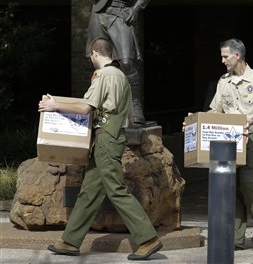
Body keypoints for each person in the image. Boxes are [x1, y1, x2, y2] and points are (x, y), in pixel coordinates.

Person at [39, 37, 162, 260]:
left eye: (90, 57)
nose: (91, 60)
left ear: (95, 53)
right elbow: (131, 117)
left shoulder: (103, 75)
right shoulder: (122, 76)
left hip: (107, 136)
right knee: (90, 191)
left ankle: (148, 239)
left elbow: (86, 108)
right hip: (113, 135)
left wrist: (54, 105)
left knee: (115, 189)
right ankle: (70, 241)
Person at [208, 38, 253, 250]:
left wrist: (250, 121)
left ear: (237, 56)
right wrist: (198, 119)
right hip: (229, 139)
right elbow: (216, 110)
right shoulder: (223, 81)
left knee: (249, 184)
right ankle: (236, 237)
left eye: (225, 56)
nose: (222, 61)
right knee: (232, 187)